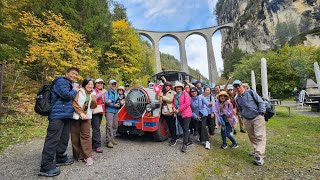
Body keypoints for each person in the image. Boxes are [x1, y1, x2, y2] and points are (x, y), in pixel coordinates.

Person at [39, 67, 80, 177]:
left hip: (65, 116)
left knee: (64, 138)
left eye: (76, 75)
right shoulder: (61, 81)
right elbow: (66, 95)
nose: (74, 76)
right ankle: (46, 166)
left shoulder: (68, 83)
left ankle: (60, 158)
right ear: (67, 73)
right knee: (52, 140)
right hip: (57, 116)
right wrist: (75, 90)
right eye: (73, 73)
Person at [233, 80, 266, 166]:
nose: (237, 88)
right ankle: (256, 150)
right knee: (251, 136)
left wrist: (261, 113)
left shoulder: (251, 92)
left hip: (257, 117)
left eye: (238, 86)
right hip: (247, 119)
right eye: (235, 87)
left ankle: (260, 156)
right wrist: (243, 117)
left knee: (259, 136)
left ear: (242, 86)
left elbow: (260, 102)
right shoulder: (237, 98)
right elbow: (239, 109)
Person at [72, 78, 97, 166]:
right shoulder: (78, 91)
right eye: (88, 84)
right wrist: (80, 113)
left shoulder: (93, 93)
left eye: (92, 84)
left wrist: (94, 99)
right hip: (76, 116)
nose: (90, 86)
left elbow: (93, 107)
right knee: (75, 136)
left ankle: (88, 156)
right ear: (84, 84)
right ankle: (78, 155)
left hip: (87, 117)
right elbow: (74, 103)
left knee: (86, 136)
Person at [172, 82, 192, 152]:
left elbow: (187, 103)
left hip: (186, 114)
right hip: (179, 114)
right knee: (184, 128)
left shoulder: (185, 94)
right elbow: (173, 103)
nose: (178, 88)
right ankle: (189, 140)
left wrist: (178, 109)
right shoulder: (175, 96)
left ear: (182, 88)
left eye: (179, 87)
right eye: (177, 87)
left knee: (185, 128)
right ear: (175, 88)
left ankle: (185, 144)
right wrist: (174, 108)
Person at [156, 82, 176, 146]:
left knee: (172, 125)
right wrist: (157, 94)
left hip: (170, 111)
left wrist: (163, 96)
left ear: (170, 86)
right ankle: (171, 136)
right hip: (163, 111)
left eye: (168, 86)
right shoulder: (162, 92)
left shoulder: (172, 92)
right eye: (166, 86)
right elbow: (157, 99)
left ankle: (174, 139)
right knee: (167, 125)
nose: (167, 87)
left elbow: (170, 100)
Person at [91, 78, 107, 153]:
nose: (100, 84)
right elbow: (93, 98)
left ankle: (92, 144)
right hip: (95, 112)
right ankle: (97, 146)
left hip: (100, 112)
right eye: (99, 83)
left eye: (102, 83)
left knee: (96, 128)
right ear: (95, 84)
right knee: (96, 129)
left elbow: (105, 101)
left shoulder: (102, 91)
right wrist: (102, 93)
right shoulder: (93, 90)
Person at [105, 79, 121, 148]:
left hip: (115, 111)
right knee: (109, 126)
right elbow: (106, 101)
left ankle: (112, 138)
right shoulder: (107, 92)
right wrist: (113, 105)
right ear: (110, 85)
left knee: (115, 125)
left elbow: (118, 100)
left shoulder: (116, 92)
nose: (114, 85)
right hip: (109, 111)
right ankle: (108, 141)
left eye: (115, 84)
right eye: (112, 84)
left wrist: (120, 103)